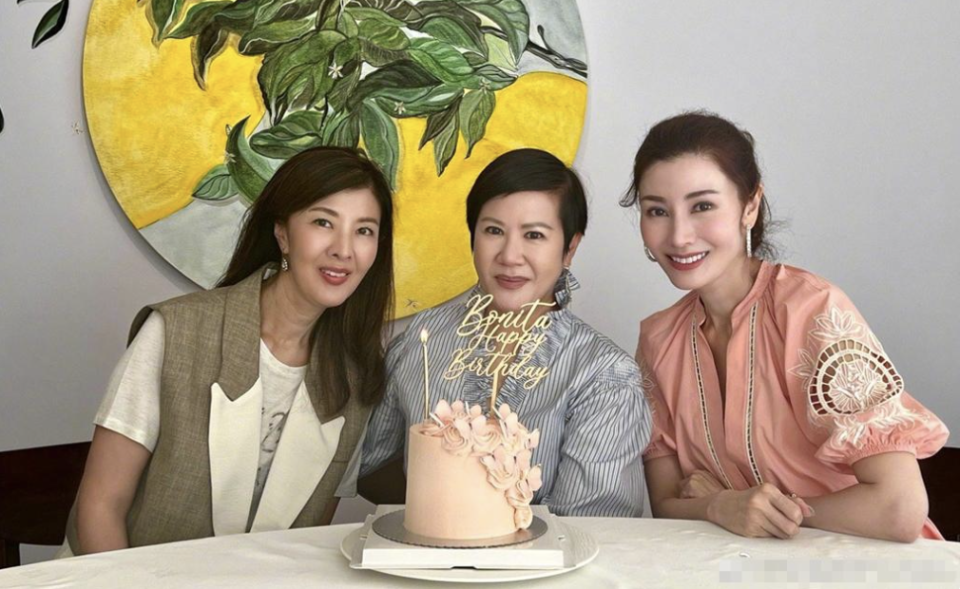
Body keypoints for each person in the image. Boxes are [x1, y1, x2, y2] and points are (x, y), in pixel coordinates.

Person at [623, 112, 949, 542]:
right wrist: (722, 505)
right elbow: (666, 504)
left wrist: (748, 504)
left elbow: (899, 508)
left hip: (872, 562)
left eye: (702, 206)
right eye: (657, 211)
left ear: (750, 206)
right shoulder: (659, 340)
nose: (679, 235)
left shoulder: (812, 311)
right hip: (743, 566)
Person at [64, 147, 394, 554]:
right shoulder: (176, 331)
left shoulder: (356, 380)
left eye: (364, 231)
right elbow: (100, 506)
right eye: (323, 222)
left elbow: (303, 542)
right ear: (282, 234)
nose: (344, 249)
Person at [359, 149, 651, 517]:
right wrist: (440, 515)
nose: (510, 256)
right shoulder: (422, 339)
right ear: (473, 236)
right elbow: (370, 466)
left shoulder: (604, 375)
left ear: (569, 248)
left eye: (534, 235)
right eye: (494, 231)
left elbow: (591, 524)